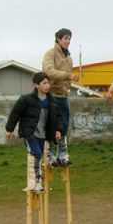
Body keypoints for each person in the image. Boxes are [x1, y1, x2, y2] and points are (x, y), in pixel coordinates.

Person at [5, 72, 63, 191]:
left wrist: (58, 130)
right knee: (36, 154)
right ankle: (35, 183)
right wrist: (9, 130)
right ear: (36, 85)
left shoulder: (52, 100)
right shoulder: (26, 99)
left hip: (44, 134)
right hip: (30, 133)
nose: (47, 85)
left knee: (40, 156)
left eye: (48, 83)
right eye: (44, 83)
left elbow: (57, 117)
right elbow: (15, 114)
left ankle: (39, 183)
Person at [42, 28, 79, 166]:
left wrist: (68, 82)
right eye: (65, 38)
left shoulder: (69, 58)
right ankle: (49, 154)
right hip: (51, 93)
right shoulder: (50, 54)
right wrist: (68, 76)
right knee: (50, 124)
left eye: (69, 39)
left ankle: (62, 154)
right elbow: (49, 71)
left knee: (64, 124)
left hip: (63, 94)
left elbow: (68, 78)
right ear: (58, 39)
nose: (68, 41)